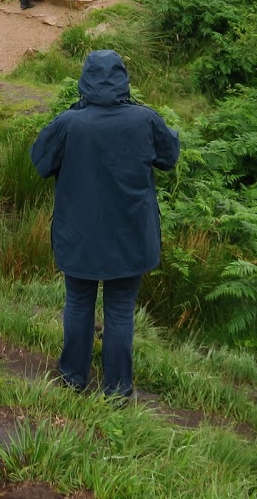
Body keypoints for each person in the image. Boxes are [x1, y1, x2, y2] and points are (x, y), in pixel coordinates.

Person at [32, 51, 179, 397]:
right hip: (130, 236)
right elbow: (169, 156)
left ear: (85, 81)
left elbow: (39, 160)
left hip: (78, 236)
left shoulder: (69, 123)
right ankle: (117, 390)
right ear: (123, 80)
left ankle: (72, 379)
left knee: (78, 303)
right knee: (120, 310)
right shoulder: (145, 120)